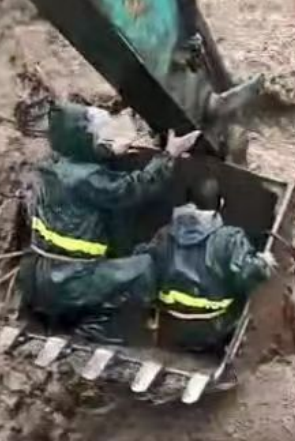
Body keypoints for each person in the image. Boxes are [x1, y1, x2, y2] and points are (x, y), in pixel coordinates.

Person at [21, 101, 200, 343]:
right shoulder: (88, 178)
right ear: (81, 138)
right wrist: (169, 155)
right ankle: (99, 327)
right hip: (70, 281)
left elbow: (78, 159)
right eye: (95, 136)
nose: (99, 139)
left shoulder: (50, 165)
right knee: (146, 266)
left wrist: (109, 152)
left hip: (40, 277)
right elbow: (133, 188)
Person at [140, 177, 276, 352]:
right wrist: (263, 263)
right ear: (221, 203)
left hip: (170, 326)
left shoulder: (164, 235)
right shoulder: (230, 238)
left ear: (187, 203)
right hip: (214, 329)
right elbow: (248, 273)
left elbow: (143, 268)